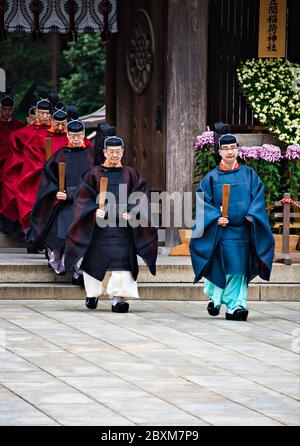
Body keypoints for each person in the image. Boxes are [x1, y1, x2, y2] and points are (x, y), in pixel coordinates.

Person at [64, 136, 158, 313]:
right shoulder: (93, 174)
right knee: (94, 262)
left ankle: (117, 299)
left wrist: (132, 211)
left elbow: (141, 195)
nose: (115, 155)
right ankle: (92, 294)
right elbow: (82, 198)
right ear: (104, 152)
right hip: (99, 228)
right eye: (111, 152)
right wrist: (92, 211)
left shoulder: (131, 174)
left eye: (118, 151)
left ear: (122, 152)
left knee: (123, 263)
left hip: (123, 228)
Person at [189, 134, 274, 321]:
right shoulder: (210, 178)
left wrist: (252, 216)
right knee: (220, 267)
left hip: (242, 231)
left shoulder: (249, 175)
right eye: (225, 149)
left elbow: (258, 199)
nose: (229, 152)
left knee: (238, 269)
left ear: (238, 149)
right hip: (221, 233)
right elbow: (203, 204)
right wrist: (215, 218)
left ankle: (236, 306)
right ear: (219, 152)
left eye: (232, 148)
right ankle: (216, 297)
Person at [29, 118, 94, 284]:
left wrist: (73, 194)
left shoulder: (93, 155)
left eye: (79, 135)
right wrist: (56, 192)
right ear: (67, 135)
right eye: (73, 135)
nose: (76, 138)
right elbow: (48, 180)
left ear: (84, 134)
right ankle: (63, 264)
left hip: (86, 203)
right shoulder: (60, 156)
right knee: (60, 229)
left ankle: (79, 271)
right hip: (64, 204)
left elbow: (96, 181)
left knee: (86, 231)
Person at [0, 96, 52, 230]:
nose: (6, 112)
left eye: (9, 109)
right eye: (42, 113)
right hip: (22, 170)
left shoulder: (56, 133)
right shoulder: (22, 133)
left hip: (43, 174)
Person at [0, 94, 25, 232]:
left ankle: (11, 224)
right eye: (4, 109)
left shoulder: (18, 126)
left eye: (9, 109)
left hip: (11, 165)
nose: (6, 112)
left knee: (11, 191)